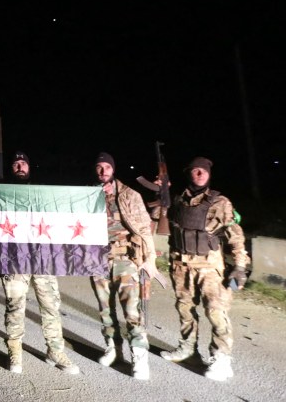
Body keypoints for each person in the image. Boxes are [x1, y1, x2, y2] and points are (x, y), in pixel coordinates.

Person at [0, 151, 79, 375]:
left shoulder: (42, 191)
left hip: (43, 259)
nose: (19, 166)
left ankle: (55, 351)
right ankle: (15, 351)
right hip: (15, 260)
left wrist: (93, 193)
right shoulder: (4, 193)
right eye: (16, 163)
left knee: (51, 306)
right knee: (15, 306)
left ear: (29, 167)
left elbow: (66, 205)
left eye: (23, 163)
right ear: (12, 168)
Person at [161, 156, 249, 382]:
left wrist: (240, 266)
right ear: (188, 173)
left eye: (203, 171)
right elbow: (162, 223)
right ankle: (188, 349)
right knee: (184, 309)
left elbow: (235, 236)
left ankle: (221, 359)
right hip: (181, 265)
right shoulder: (177, 200)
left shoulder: (220, 202)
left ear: (209, 174)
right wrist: (159, 196)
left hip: (209, 266)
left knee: (215, 311)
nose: (199, 174)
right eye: (195, 170)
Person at [91, 152, 163, 381]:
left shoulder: (130, 195)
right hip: (98, 260)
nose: (103, 171)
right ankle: (112, 348)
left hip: (125, 259)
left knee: (132, 311)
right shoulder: (88, 195)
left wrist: (150, 260)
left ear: (113, 170)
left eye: (107, 167)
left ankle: (139, 356)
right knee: (105, 310)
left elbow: (143, 228)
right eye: (99, 167)